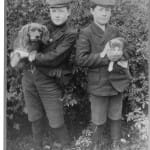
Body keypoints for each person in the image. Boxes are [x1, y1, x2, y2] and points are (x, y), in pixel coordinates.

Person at [76, 0, 132, 149]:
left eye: (108, 10)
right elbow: (81, 59)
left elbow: (127, 50)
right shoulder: (86, 32)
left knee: (115, 114)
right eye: (101, 9)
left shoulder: (115, 31)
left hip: (116, 80)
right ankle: (96, 143)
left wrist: (120, 55)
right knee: (98, 116)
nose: (105, 13)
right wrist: (106, 57)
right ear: (92, 11)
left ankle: (115, 142)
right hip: (98, 82)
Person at [21, 0, 77, 149]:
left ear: (68, 11)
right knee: (34, 115)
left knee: (55, 118)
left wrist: (31, 57)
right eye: (54, 11)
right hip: (29, 77)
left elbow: (55, 58)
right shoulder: (41, 26)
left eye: (60, 11)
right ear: (50, 11)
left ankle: (66, 145)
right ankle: (37, 145)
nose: (57, 15)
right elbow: (23, 44)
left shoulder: (70, 33)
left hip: (49, 78)